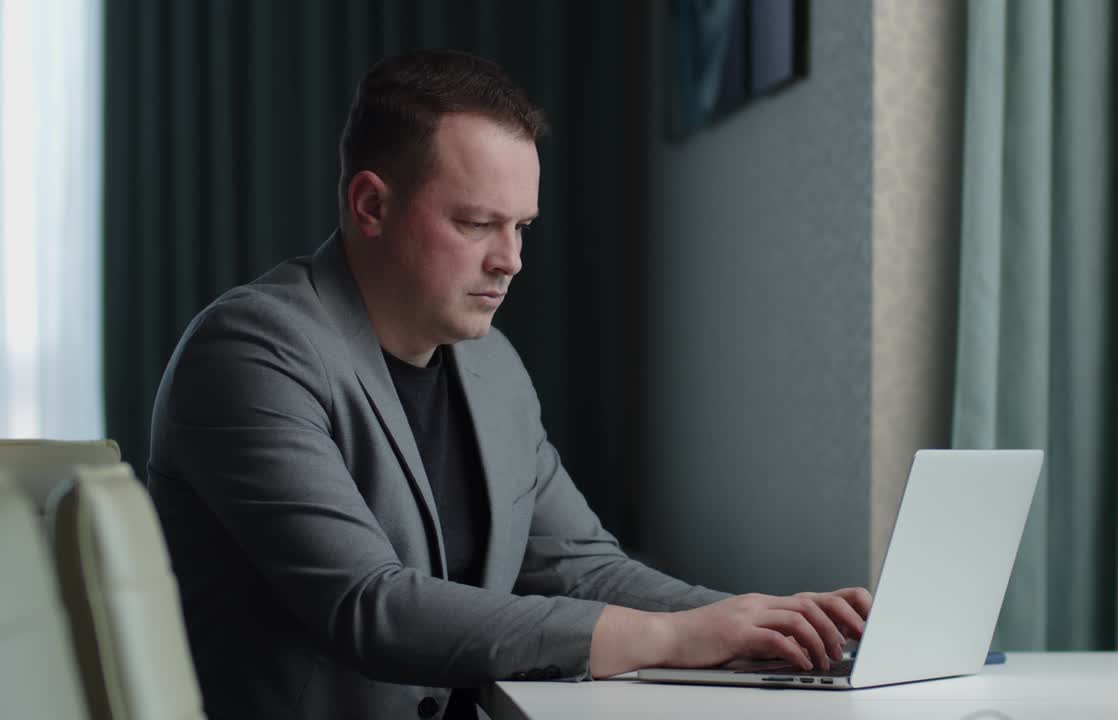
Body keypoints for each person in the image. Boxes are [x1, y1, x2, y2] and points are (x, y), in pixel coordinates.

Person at [148, 49, 871, 720]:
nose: (511, 260)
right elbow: (369, 607)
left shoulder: (492, 364)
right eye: (478, 224)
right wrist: (676, 637)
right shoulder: (250, 351)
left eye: (522, 227)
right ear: (371, 205)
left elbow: (580, 568)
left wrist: (765, 624)